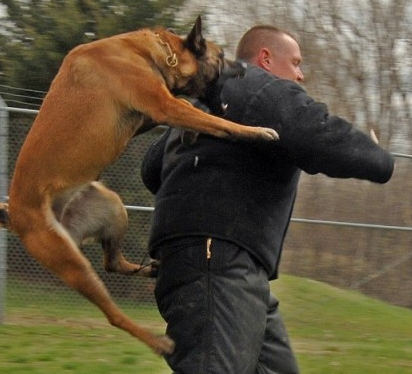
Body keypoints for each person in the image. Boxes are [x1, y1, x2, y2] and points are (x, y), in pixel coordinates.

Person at [141, 25, 394, 373]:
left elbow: (152, 168)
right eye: (296, 63)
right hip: (218, 265)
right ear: (265, 58)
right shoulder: (258, 87)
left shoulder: (201, 103)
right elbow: (317, 133)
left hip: (220, 265)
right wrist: (379, 159)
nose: (301, 75)